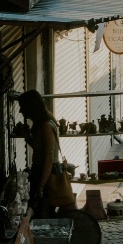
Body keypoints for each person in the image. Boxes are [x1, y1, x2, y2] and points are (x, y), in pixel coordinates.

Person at [16, 90, 78, 218]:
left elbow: (48, 159)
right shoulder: (42, 123)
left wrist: (41, 185)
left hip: (47, 173)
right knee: (40, 211)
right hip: (43, 172)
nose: (20, 111)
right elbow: (40, 149)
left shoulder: (45, 126)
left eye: (22, 107)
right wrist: (28, 137)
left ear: (31, 107)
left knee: (43, 213)